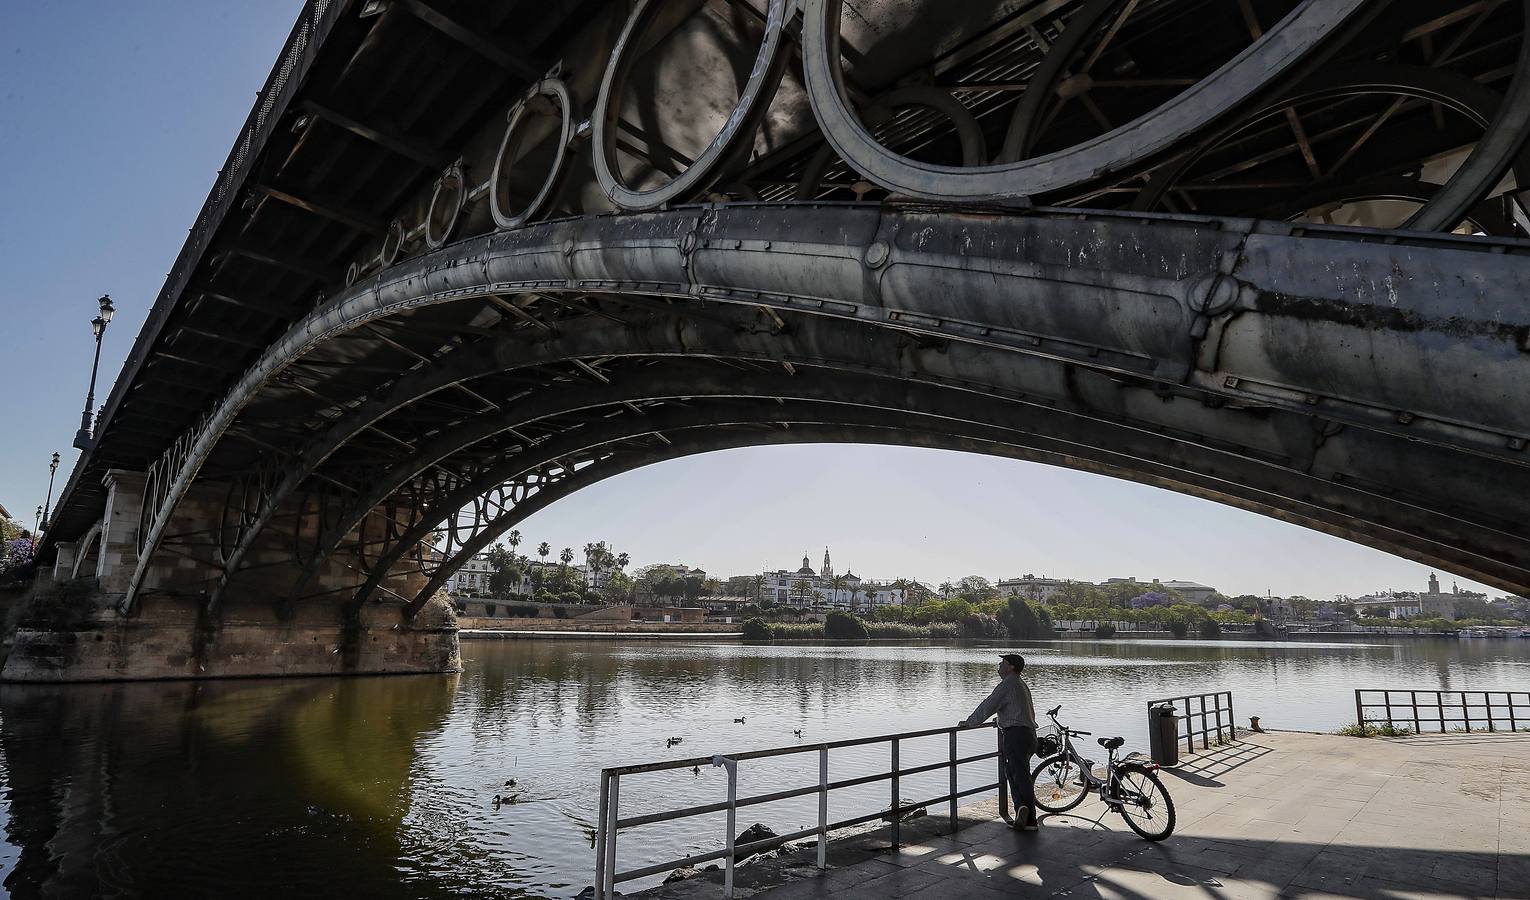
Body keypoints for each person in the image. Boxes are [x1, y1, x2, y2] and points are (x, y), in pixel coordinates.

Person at [960, 653, 1040, 830]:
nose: (999, 665)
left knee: (1019, 776)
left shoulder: (1008, 684)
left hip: (1016, 735)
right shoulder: (1020, 684)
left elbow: (988, 705)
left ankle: (1030, 819)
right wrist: (1001, 720)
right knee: (1015, 773)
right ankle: (1022, 812)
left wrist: (969, 722)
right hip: (1028, 734)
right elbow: (1016, 709)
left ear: (1010, 667)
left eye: (1003, 662)